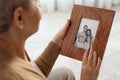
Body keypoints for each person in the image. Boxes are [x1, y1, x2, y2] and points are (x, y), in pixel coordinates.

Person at [0, 0, 101, 80]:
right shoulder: (13, 75)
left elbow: (32, 71)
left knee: (65, 74)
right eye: (35, 0)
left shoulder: (9, 47)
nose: (39, 3)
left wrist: (57, 42)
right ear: (19, 18)